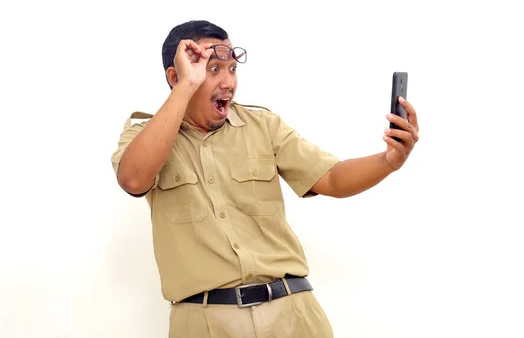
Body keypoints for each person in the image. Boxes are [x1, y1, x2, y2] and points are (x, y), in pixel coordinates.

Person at [110, 20, 420, 337]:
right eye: (212, 69)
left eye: (232, 68)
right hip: (205, 323)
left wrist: (388, 161)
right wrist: (186, 86)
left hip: (293, 314)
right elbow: (133, 179)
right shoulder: (143, 136)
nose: (228, 81)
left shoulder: (263, 125)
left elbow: (333, 179)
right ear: (176, 76)